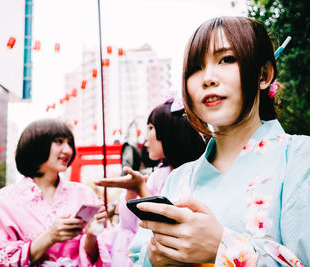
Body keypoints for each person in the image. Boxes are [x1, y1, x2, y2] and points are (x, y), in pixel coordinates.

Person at [131, 16, 309, 266]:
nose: (207, 78)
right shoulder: (178, 179)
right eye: (195, 68)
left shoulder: (301, 158)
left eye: (226, 59)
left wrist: (223, 248)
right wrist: (155, 257)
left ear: (264, 74)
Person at [0, 119, 110, 266]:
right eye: (59, 142)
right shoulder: (4, 201)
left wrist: (91, 235)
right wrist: (50, 236)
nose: (68, 150)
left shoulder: (84, 194)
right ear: (36, 144)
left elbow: (95, 256)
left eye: (70, 143)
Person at [95, 99, 206, 266]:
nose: (145, 137)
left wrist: (140, 188)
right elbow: (129, 227)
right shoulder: (158, 175)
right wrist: (132, 190)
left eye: (151, 128)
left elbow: (170, 229)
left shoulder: (195, 176)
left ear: (170, 131)